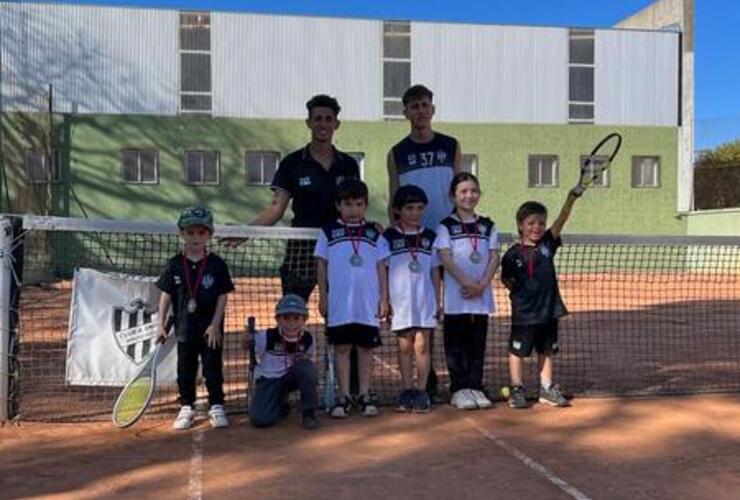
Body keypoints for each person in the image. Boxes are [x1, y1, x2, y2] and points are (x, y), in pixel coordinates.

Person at [242, 94, 360, 301]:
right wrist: (245, 231)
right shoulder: (292, 163)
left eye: (328, 119)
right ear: (309, 123)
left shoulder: (348, 164)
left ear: (336, 124)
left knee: (338, 312)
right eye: (318, 119)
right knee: (292, 308)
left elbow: (355, 207)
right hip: (302, 248)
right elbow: (276, 208)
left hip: (338, 244)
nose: (323, 124)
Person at [387, 84, 462, 397]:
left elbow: (458, 189)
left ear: (432, 109)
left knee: (452, 311)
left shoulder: (450, 145)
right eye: (414, 106)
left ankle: (460, 382)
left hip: (446, 239)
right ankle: (424, 383)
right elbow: (394, 199)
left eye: (424, 105)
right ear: (405, 112)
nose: (420, 111)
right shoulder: (396, 152)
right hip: (413, 245)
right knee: (417, 315)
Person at [500, 186, 584, 409]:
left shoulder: (548, 244)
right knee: (518, 351)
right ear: (520, 225)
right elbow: (506, 279)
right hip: (524, 314)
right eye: (531, 223)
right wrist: (522, 296)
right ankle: (516, 388)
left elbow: (562, 220)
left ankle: (546, 388)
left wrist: (570, 199)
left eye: (540, 223)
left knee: (546, 350)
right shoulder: (511, 254)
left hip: (549, 311)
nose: (536, 227)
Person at [157, 205, 235, 430]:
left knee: (212, 368)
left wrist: (215, 324)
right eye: (190, 232)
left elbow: (222, 295)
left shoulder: (217, 264)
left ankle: (217, 405)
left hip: (210, 329)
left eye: (201, 233)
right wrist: (160, 324)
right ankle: (187, 406)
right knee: (185, 370)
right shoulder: (174, 264)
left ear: (209, 235)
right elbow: (165, 295)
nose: (195, 237)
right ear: (182, 233)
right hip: (184, 329)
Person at [314, 179, 386, 417]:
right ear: (338, 205)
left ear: (365, 206)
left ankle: (364, 395)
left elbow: (381, 267)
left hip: (367, 304)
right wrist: (323, 296)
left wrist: (384, 297)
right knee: (342, 348)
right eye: (347, 204)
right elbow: (322, 265)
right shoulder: (328, 232)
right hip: (339, 304)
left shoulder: (374, 233)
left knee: (366, 349)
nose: (353, 210)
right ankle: (344, 396)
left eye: (358, 204)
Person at [434, 173, 500, 410]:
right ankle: (459, 388)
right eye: (463, 191)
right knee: (455, 343)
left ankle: (475, 386)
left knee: (477, 342)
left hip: (481, 295)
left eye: (473, 190)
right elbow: (445, 258)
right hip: (456, 297)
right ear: (453, 195)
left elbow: (494, 256)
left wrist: (482, 284)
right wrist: (466, 283)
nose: (469, 195)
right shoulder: (446, 226)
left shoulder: (488, 225)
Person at [379, 185, 441, 413]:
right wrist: (384, 299)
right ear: (397, 210)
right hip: (400, 300)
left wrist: (438, 299)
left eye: (419, 208)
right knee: (404, 346)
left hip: (424, 299)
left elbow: (435, 271)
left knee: (422, 345)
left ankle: (422, 392)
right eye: (409, 208)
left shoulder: (430, 237)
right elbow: (383, 270)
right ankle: (407, 391)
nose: (415, 213)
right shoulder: (388, 236)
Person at [247, 294, 319, 430]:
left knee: (307, 369)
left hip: (292, 378)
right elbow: (248, 343)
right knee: (260, 419)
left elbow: (309, 362)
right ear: (277, 319)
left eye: (297, 318)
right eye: (286, 318)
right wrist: (247, 340)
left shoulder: (308, 339)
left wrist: (304, 361)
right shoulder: (267, 336)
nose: (291, 323)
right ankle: (280, 404)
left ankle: (309, 413)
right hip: (270, 380)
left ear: (305, 319)